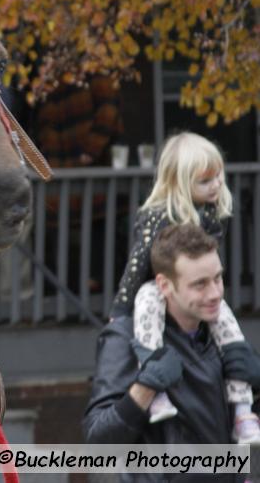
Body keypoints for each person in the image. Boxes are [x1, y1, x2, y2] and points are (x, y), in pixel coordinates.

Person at [110, 132, 260, 442]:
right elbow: (137, 265)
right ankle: (155, 387)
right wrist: (120, 312)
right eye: (206, 181)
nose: (217, 186)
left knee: (228, 323)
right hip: (158, 285)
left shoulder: (210, 215)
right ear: (179, 183)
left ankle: (243, 407)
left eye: (218, 177)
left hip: (190, 294)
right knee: (147, 300)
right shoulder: (156, 217)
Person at [84, 223, 260, 481]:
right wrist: (145, 387)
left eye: (218, 278)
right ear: (165, 285)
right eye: (199, 284)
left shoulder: (224, 335)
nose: (215, 294)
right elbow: (98, 442)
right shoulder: (125, 336)